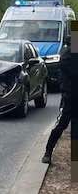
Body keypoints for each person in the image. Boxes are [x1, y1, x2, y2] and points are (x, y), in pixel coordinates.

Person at [42, 34, 74, 164]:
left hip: (69, 94)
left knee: (62, 125)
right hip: (70, 95)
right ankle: (48, 152)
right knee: (61, 125)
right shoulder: (67, 55)